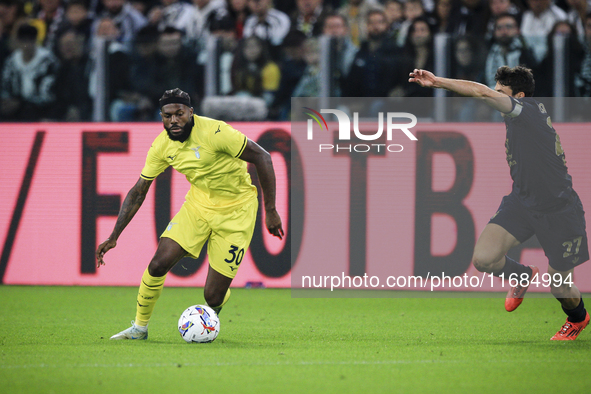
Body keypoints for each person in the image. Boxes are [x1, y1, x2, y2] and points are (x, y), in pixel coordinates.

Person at [409, 66, 590, 340]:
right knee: (484, 259)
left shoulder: (527, 110)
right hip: (523, 202)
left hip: (559, 210)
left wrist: (438, 83)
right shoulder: (518, 119)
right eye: (495, 91)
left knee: (560, 288)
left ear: (518, 96)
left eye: (499, 93)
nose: (492, 97)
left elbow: (479, 91)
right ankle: (521, 275)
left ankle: (578, 318)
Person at [97, 88, 284, 340]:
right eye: (167, 115)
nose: (173, 120)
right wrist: (114, 235)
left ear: (191, 113)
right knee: (158, 263)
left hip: (237, 210)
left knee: (213, 296)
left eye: (179, 114)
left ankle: (211, 315)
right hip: (198, 205)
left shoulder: (216, 132)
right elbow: (138, 191)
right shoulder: (162, 146)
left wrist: (270, 211)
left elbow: (263, 157)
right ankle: (139, 328)